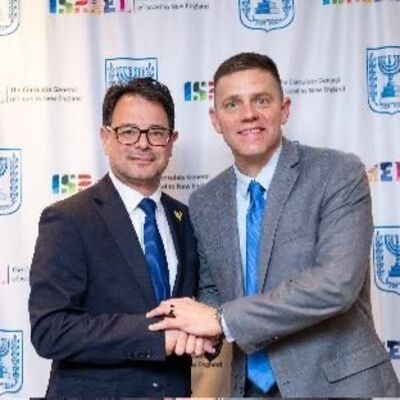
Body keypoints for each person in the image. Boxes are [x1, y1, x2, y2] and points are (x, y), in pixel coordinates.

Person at [146, 53, 400, 397]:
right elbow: (212, 288)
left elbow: (336, 284)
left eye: (261, 100)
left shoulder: (337, 173)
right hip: (250, 389)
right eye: (232, 104)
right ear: (216, 120)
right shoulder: (205, 201)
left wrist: (221, 321)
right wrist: (200, 328)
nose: (248, 114)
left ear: (285, 109)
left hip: (339, 386)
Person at [29, 77, 213, 398]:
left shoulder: (187, 220)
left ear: (171, 141)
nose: (143, 144)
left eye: (156, 132)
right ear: (106, 138)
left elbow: (200, 309)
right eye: (128, 131)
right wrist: (156, 337)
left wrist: (211, 334)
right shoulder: (68, 219)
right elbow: (50, 330)